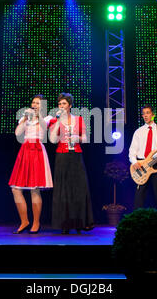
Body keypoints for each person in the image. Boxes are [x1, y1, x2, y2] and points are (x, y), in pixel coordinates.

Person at [49, 93, 94, 234]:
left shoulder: (78, 120)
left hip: (76, 156)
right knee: (63, 190)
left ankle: (80, 223)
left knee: (79, 189)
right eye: (60, 104)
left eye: (64, 104)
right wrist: (57, 121)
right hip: (62, 156)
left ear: (70, 105)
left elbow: (86, 138)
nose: (61, 106)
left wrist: (78, 137)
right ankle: (64, 224)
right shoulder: (54, 121)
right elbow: (52, 140)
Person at [8, 95, 53, 234]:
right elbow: (18, 133)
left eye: (38, 103)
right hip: (25, 150)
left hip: (37, 150)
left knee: (35, 188)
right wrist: (26, 119)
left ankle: (36, 223)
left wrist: (37, 116)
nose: (34, 105)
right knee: (15, 188)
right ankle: (24, 221)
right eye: (33, 102)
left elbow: (45, 128)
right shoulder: (25, 118)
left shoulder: (47, 118)